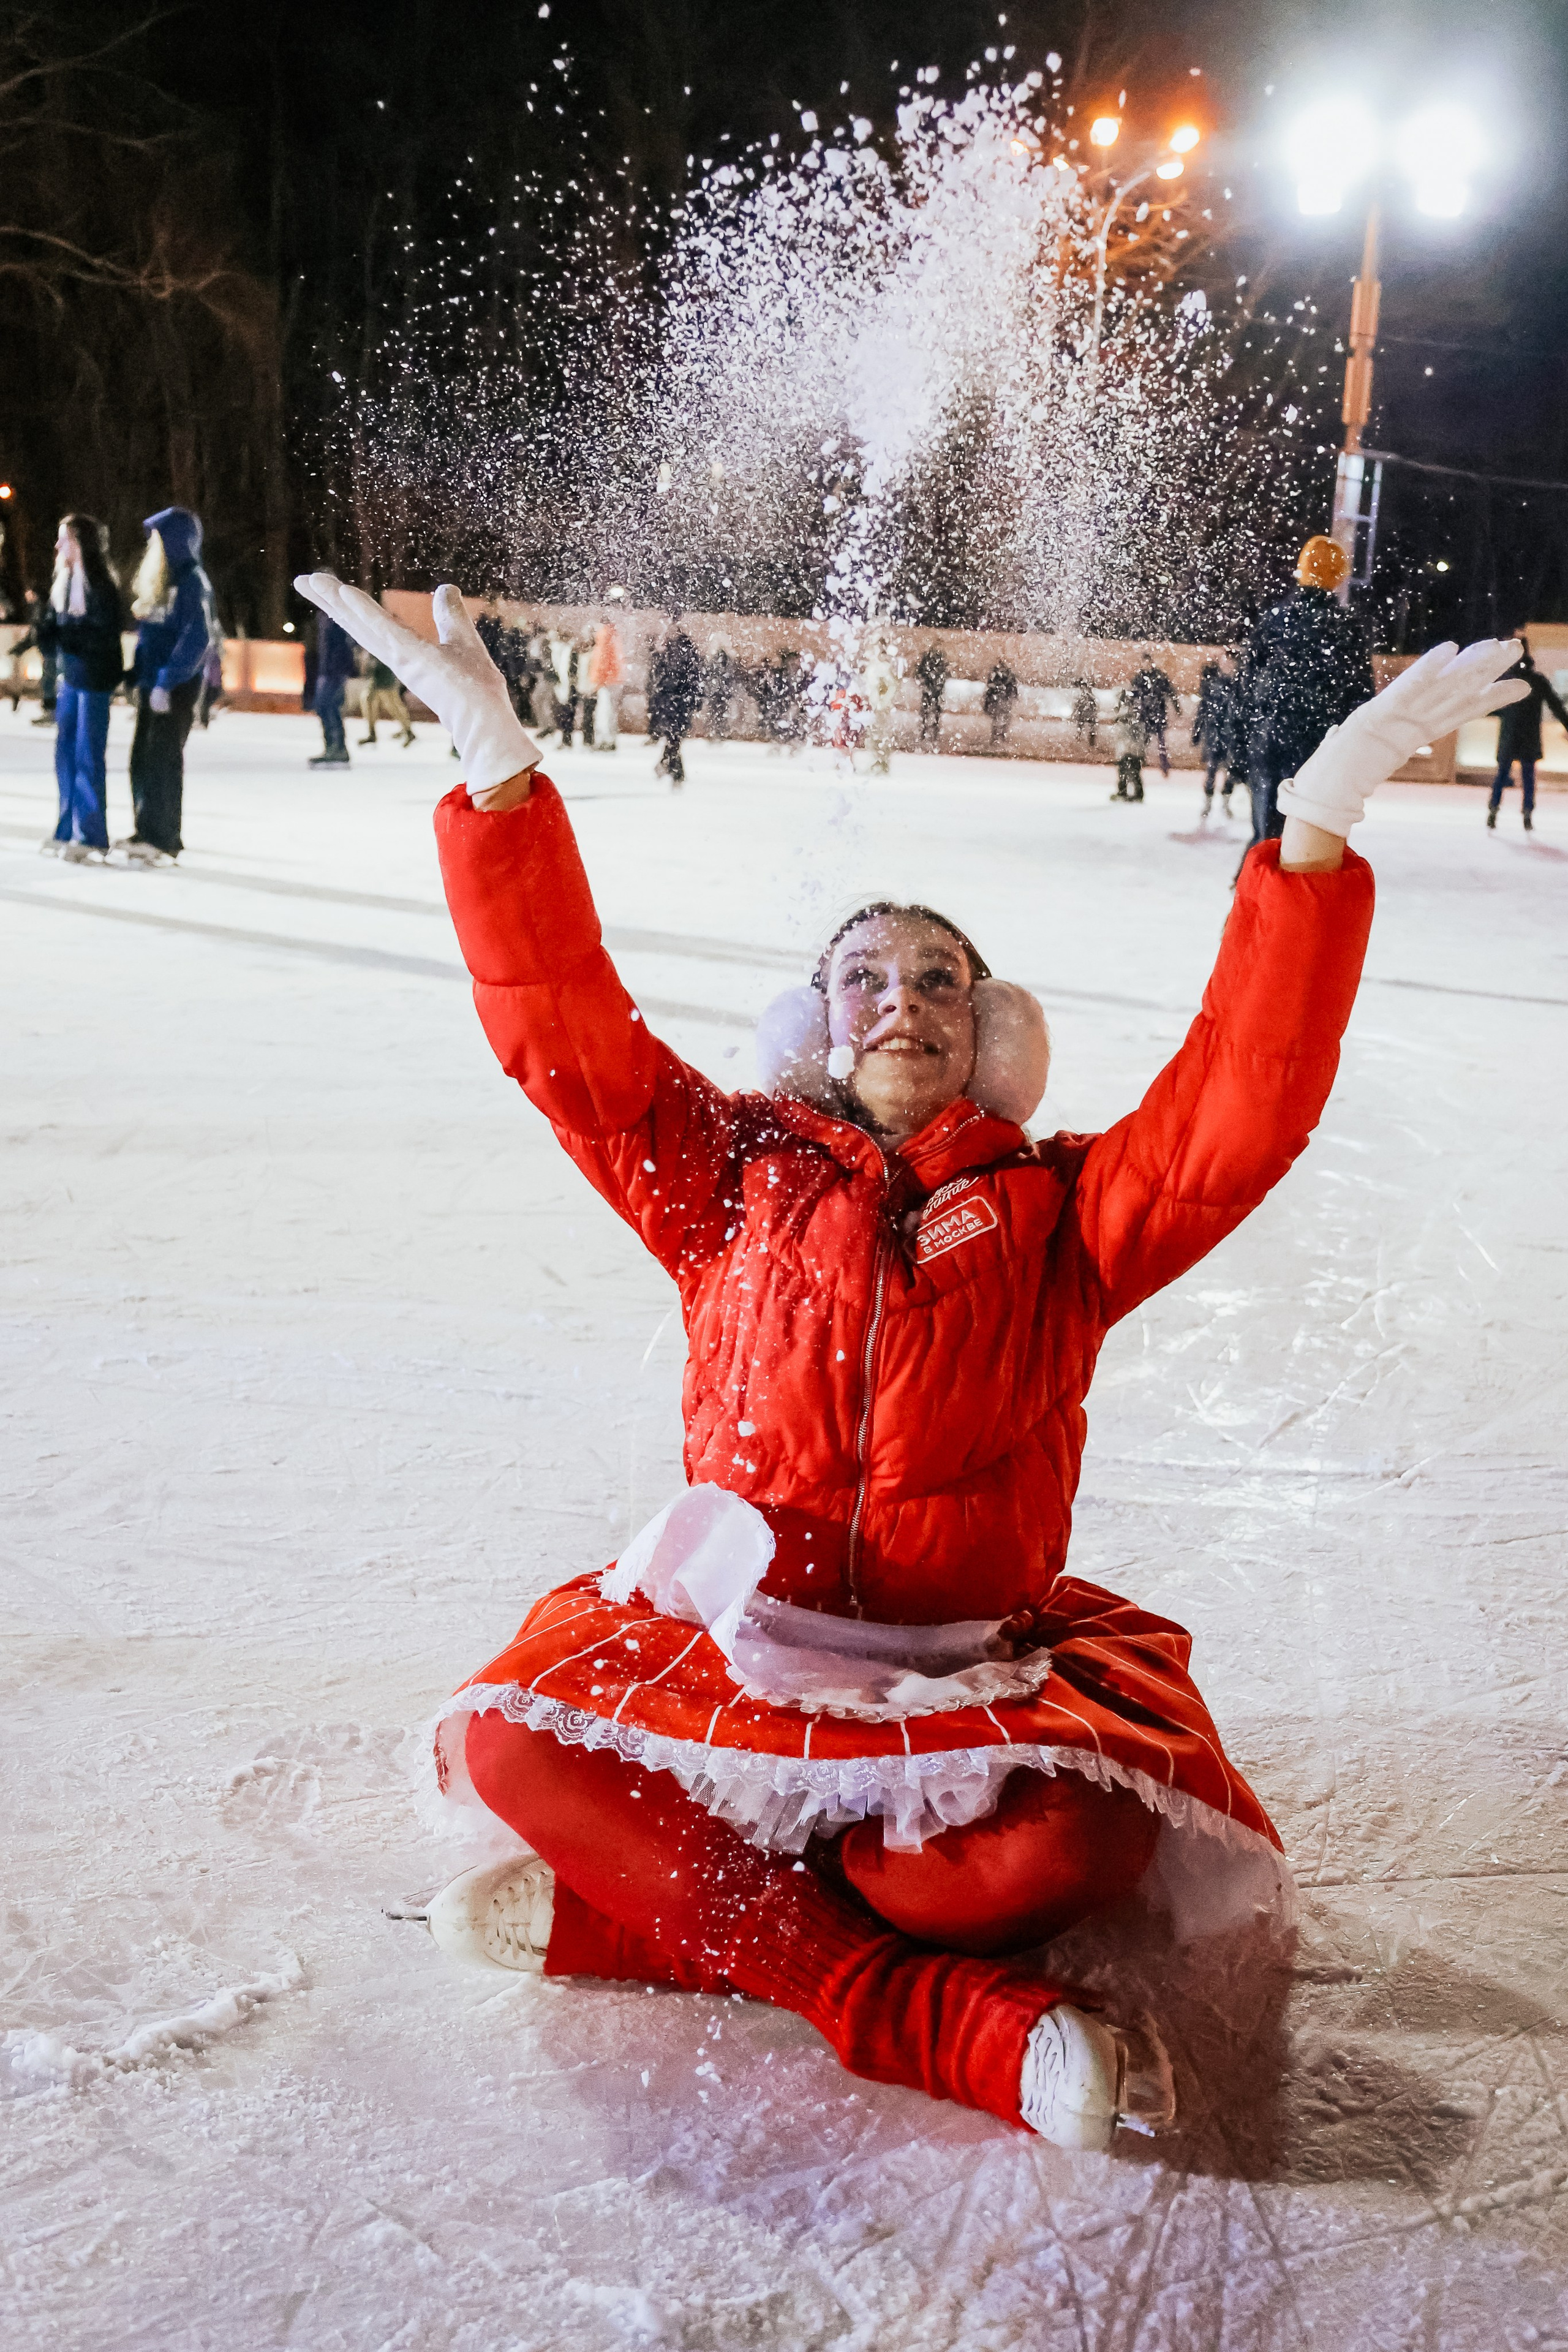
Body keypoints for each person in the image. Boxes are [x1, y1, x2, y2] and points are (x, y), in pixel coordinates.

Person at [293, 570, 1522, 2153]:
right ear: (817, 1019)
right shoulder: (722, 1170)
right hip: (739, 1665)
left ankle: (663, 1923)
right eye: (868, 974)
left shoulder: (1067, 1215)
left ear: (988, 1031)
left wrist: (1311, 845)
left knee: (1055, 1850)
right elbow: (564, 1033)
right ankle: (921, 2016)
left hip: (958, 1681)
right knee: (508, 1740)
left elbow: (1240, 1112)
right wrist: (498, 783)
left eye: (940, 979)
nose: (904, 1000)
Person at [1243, 537, 1375, 859]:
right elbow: (1362, 700)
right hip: (1322, 754)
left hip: (1271, 745)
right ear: (1339, 575)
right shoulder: (1347, 629)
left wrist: (1243, 748)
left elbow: (1246, 690)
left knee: (1267, 839)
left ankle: (1256, 896)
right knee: (1311, 850)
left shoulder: (1276, 620)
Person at [115, 507, 216, 867]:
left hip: (177, 687)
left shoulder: (193, 583)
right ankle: (146, 830)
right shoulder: (163, 584)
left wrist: (167, 681)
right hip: (154, 685)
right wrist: (136, 675)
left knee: (163, 761)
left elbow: (198, 637)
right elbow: (150, 639)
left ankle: (164, 838)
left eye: (159, 538)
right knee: (142, 760)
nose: (152, 547)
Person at [36, 514, 124, 861]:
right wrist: (45, 634)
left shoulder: (100, 584)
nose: (58, 546)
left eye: (65, 539)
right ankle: (66, 827)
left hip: (94, 680)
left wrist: (68, 636)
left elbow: (102, 634)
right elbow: (56, 630)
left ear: (81, 543)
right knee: (65, 755)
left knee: (88, 755)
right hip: (71, 679)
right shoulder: (64, 581)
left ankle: (91, 834)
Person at [1486, 639, 1568, 832]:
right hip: (1529, 737)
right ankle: (1527, 814)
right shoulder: (1537, 681)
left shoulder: (1508, 679)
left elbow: (1491, 704)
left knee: (1503, 775)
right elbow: (1555, 705)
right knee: (1528, 777)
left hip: (1510, 736)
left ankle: (1494, 811)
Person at [647, 616, 701, 786]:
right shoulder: (689, 654)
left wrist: (657, 700)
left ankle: (670, 770)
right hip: (681, 702)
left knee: (673, 739)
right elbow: (695, 679)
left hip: (672, 702)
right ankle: (670, 769)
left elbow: (663, 680)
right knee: (674, 739)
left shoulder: (670, 655)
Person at [1191, 658, 1236, 818]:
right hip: (1226, 735)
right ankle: (1222, 804)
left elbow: (1202, 713)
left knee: (1214, 771)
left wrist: (1196, 734)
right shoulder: (1229, 685)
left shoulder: (1211, 689)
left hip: (1216, 735)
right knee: (1227, 772)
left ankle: (1210, 805)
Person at [311, 610, 356, 767]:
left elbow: (344, 644)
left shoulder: (336, 616)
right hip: (327, 670)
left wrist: (338, 668)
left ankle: (338, 749)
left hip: (334, 671)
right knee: (324, 708)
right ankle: (333, 747)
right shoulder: (325, 616)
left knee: (330, 707)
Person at [1127, 660, 1180, 776]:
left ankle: (1162, 763)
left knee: (1157, 740)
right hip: (1149, 713)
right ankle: (1143, 760)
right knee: (1147, 739)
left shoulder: (1156, 677)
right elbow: (1133, 693)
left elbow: (1171, 693)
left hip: (1155, 713)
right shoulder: (1146, 678)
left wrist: (1177, 708)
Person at [359, 655, 417, 747]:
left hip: (384, 669)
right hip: (376, 670)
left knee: (391, 704)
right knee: (368, 700)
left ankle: (408, 731)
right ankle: (372, 733)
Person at [587, 617, 624, 752]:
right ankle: (610, 740)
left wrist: (599, 680)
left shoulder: (604, 636)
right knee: (610, 712)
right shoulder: (614, 635)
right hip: (613, 680)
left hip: (606, 682)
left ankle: (605, 740)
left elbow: (602, 661)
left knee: (604, 713)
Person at [1109, 685, 1147, 802]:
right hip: (1132, 749)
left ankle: (1129, 793)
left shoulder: (1128, 716)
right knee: (1130, 772)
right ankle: (1133, 793)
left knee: (1128, 771)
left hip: (1130, 749)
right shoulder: (1133, 714)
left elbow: (1132, 735)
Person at [983, 660, 1020, 752]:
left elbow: (1012, 688)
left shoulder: (1009, 676)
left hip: (1003, 700)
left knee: (1003, 719)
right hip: (998, 700)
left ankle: (999, 737)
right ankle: (997, 737)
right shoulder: (996, 675)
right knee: (999, 719)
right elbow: (990, 686)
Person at [915, 644, 948, 748]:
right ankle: (927, 734)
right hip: (931, 690)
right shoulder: (934, 662)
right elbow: (921, 674)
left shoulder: (937, 663)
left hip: (934, 691)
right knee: (928, 713)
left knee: (933, 713)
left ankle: (931, 735)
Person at [1070, 678, 1098, 751]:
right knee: (1081, 728)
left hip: (1088, 713)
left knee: (1090, 728)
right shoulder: (1084, 694)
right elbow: (1077, 704)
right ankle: (1079, 741)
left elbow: (1094, 703)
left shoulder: (1088, 694)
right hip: (1084, 713)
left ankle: (1090, 743)